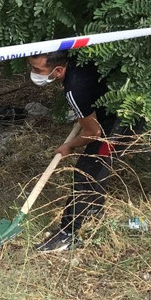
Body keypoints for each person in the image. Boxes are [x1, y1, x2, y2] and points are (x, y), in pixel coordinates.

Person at [27, 52, 140, 252]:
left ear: (58, 70)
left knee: (87, 173)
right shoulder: (82, 61)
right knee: (94, 171)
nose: (34, 73)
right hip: (112, 112)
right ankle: (93, 220)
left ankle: (71, 233)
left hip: (124, 120)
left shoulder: (74, 89)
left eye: (38, 70)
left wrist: (70, 146)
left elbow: (93, 132)